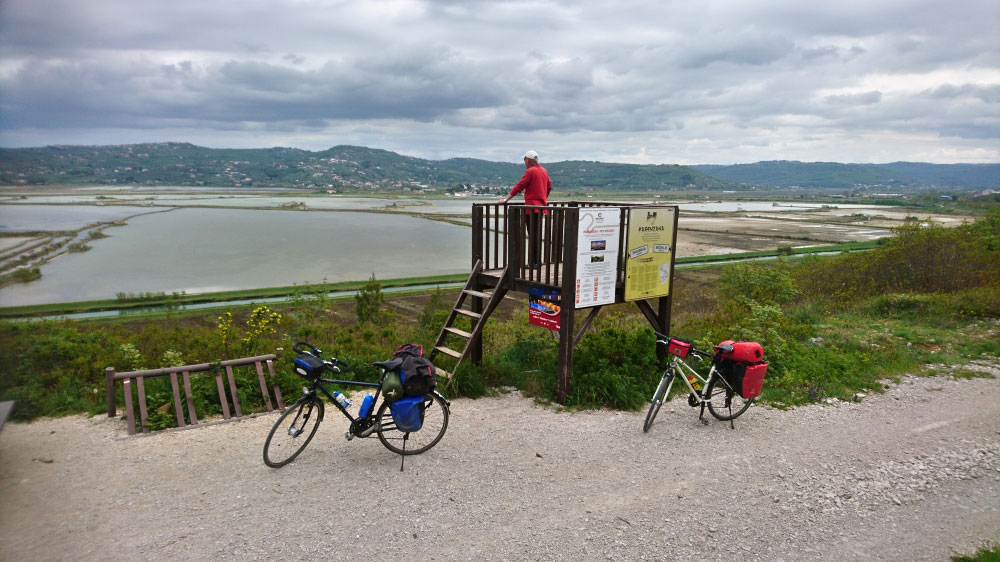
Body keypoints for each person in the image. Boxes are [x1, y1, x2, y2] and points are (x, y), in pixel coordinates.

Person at [499, 150, 553, 269]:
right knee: (537, 236)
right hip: (541, 208)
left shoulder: (530, 171)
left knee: (532, 236)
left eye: (524, 160)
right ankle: (537, 261)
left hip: (531, 209)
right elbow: (549, 186)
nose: (524, 162)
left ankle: (534, 263)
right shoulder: (543, 170)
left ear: (527, 160)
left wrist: (506, 200)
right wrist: (543, 199)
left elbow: (519, 186)